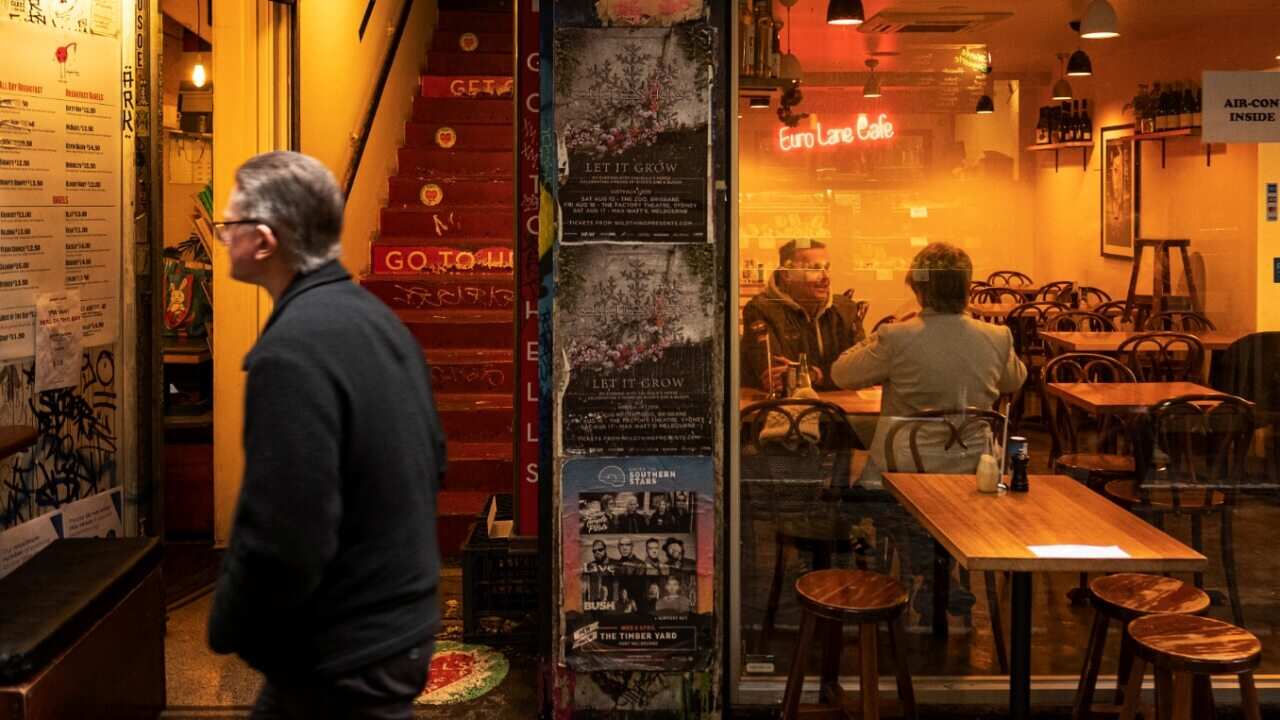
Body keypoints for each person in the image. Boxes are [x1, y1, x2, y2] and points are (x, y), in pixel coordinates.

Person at [207, 152, 443, 719]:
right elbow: (434, 459)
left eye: (228, 226)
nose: (222, 237)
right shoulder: (374, 318)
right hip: (397, 625)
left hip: (347, 649)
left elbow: (284, 533)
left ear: (263, 240)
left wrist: (227, 623)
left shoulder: (290, 352)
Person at [829, 242, 1026, 629]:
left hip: (903, 475)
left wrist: (887, 331)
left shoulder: (898, 337)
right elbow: (1014, 379)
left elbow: (841, 374)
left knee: (867, 504)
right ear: (967, 288)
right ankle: (940, 576)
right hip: (973, 474)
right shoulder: (996, 336)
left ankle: (931, 574)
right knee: (931, 509)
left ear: (918, 290)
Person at [741, 239, 866, 392]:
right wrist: (833, 375)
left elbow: (863, 368)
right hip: (781, 410)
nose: (826, 277)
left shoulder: (845, 309)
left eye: (827, 268)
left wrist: (814, 375)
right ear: (787, 274)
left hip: (840, 408)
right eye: (815, 269)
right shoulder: (760, 310)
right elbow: (776, 377)